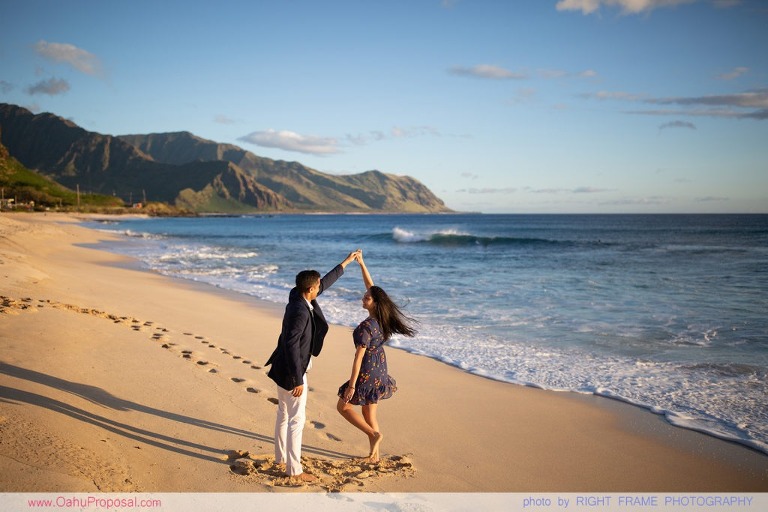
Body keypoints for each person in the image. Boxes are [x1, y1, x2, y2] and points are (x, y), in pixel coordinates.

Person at [266, 250, 360, 482]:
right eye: (317, 287)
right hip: (292, 371)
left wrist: (346, 262)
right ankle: (294, 470)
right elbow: (290, 344)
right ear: (310, 289)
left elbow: (324, 282)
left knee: (283, 413)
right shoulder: (299, 310)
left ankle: (280, 457)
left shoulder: (297, 296)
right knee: (297, 419)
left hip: (282, 367)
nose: (320, 289)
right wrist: (297, 379)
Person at [337, 252, 416, 462]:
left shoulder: (366, 326)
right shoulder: (382, 319)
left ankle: (374, 435)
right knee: (369, 414)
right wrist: (361, 264)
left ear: (374, 303)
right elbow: (372, 288)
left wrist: (352, 385)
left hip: (367, 369)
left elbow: (358, 358)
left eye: (367, 298)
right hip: (380, 367)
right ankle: (375, 456)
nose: (363, 297)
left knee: (343, 406)